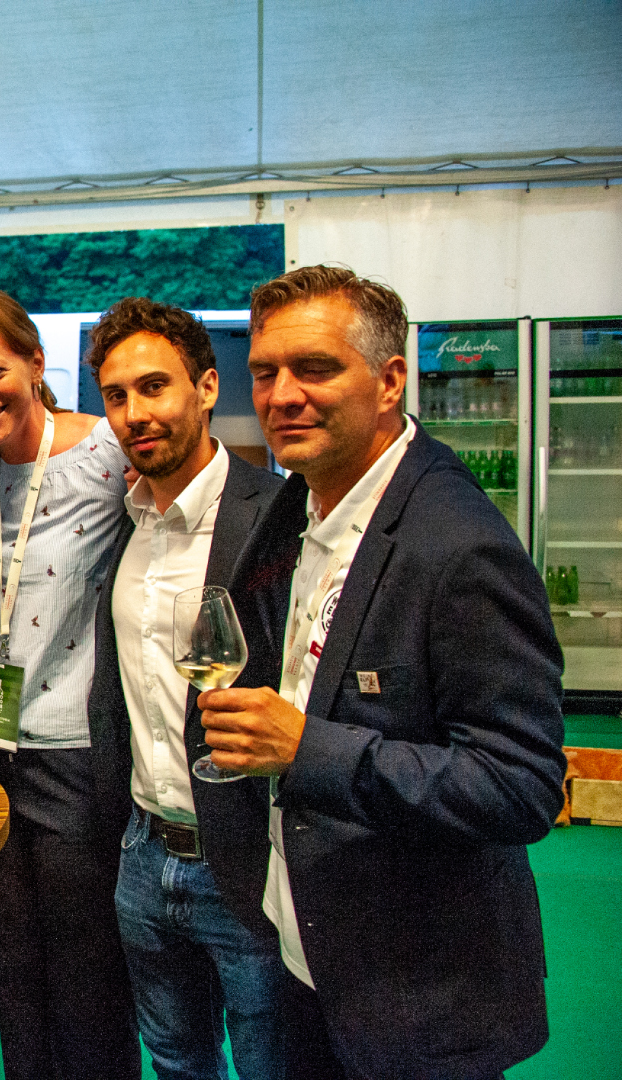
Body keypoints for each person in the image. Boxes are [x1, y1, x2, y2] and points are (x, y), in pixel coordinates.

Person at [200, 265, 566, 1079]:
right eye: (264, 372)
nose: (282, 395)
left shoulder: (457, 544)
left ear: (390, 380)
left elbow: (519, 786)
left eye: (314, 369)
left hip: (415, 992)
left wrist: (306, 750)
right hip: (308, 950)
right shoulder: (301, 504)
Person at [0, 288, 139, 1079]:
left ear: (35, 364)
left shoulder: (106, 452)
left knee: (87, 976)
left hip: (75, 754)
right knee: (12, 970)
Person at [84, 298, 285, 1079]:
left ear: (205, 387)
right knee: (173, 1059)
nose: (134, 412)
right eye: (116, 396)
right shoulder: (123, 519)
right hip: (142, 852)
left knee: (272, 1062)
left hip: (246, 860)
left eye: (153, 386)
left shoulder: (276, 516)